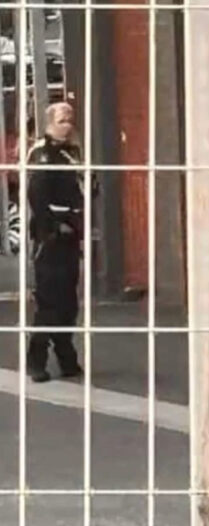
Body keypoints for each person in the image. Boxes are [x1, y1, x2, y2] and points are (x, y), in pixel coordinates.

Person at [26, 102, 86, 383]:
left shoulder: (73, 152)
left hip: (72, 233)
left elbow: (85, 186)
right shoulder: (41, 152)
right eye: (62, 120)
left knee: (68, 303)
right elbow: (37, 195)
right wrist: (52, 225)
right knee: (49, 302)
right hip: (49, 237)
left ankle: (66, 357)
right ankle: (36, 360)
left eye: (70, 119)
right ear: (50, 123)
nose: (68, 125)